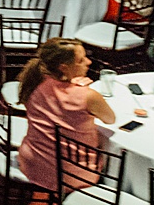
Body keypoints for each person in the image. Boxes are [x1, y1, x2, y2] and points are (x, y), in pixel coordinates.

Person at [15, 37, 115, 191]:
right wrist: (79, 89)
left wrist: (70, 84)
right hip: (72, 175)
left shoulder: (36, 82)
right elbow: (110, 119)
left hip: (31, 161)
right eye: (81, 60)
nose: (88, 62)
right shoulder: (89, 96)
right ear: (63, 67)